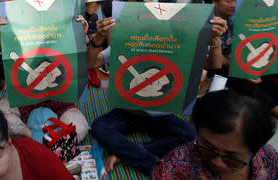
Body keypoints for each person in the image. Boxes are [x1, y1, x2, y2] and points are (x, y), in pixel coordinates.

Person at [89, 10, 227, 175]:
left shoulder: (177, 47)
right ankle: (156, 167)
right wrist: (98, 38)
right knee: (100, 127)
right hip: (126, 111)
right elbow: (90, 63)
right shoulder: (125, 45)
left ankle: (126, 154)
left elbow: (215, 64)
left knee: (191, 134)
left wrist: (213, 39)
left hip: (160, 114)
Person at [153, 90, 277, 179]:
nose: (217, 162)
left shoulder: (268, 157)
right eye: (208, 147)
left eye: (232, 157)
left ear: (255, 151)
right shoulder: (172, 170)